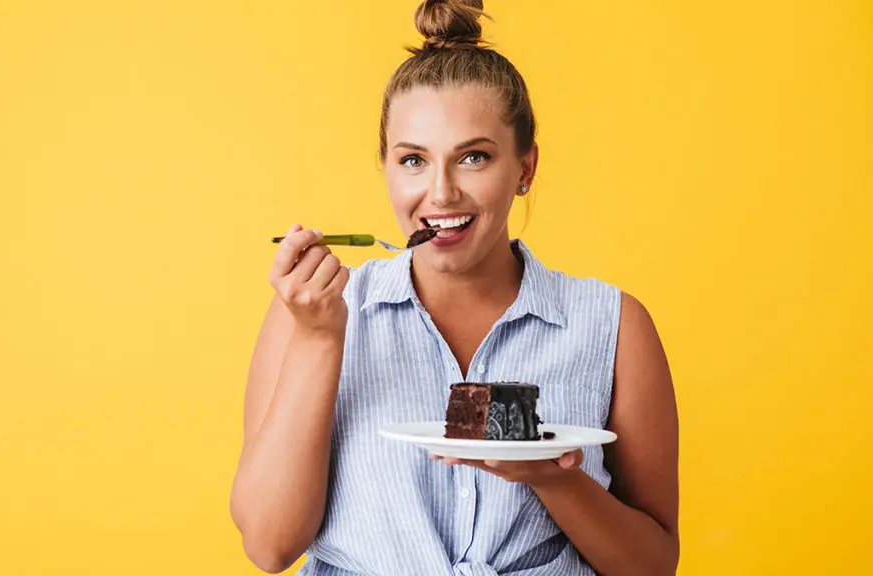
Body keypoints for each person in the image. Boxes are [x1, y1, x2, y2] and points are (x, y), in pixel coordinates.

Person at [230, 1, 679, 574]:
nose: (440, 194)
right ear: (386, 167)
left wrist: (547, 476)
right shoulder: (312, 313)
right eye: (413, 160)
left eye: (473, 157)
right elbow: (269, 547)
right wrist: (320, 340)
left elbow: (655, 564)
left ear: (525, 169)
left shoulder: (613, 325)